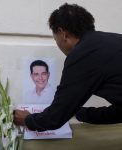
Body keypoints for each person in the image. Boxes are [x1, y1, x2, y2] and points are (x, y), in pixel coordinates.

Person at [13, 3, 122, 131]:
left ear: (62, 33)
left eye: (55, 39)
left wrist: (27, 120)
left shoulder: (82, 54)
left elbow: (54, 118)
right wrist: (77, 112)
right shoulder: (113, 41)